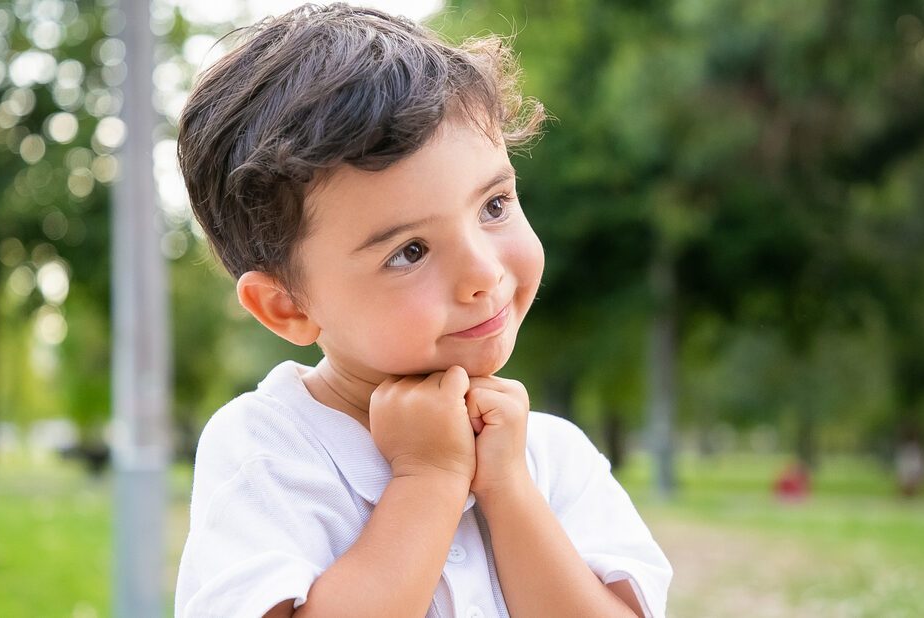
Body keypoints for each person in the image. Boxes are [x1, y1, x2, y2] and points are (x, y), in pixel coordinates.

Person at [173, 4, 672, 617]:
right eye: (410, 251)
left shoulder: (549, 456)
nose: (484, 273)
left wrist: (508, 490)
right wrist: (427, 479)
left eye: (494, 205)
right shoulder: (268, 451)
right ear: (287, 306)